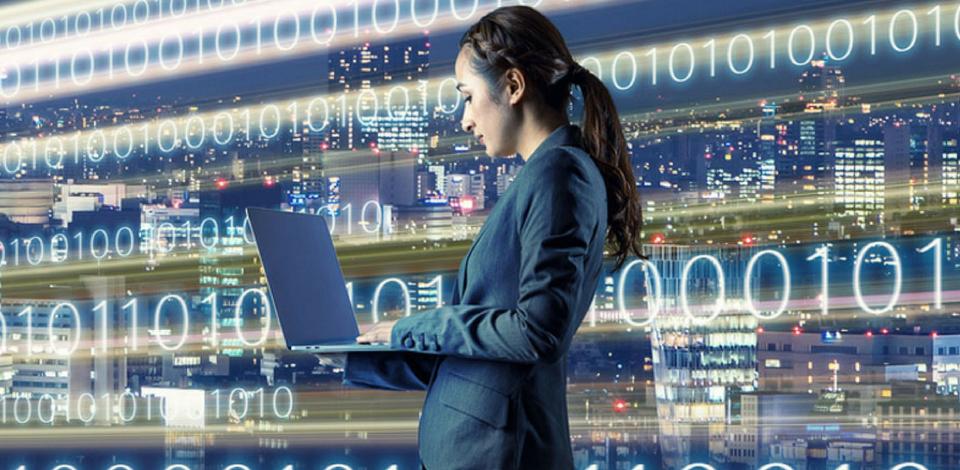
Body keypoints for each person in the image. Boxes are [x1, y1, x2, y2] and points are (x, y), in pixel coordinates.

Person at [321, 5, 644, 469]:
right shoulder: (545, 174)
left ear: (513, 86)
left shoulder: (560, 175)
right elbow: (479, 355)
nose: (465, 119)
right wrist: (352, 355)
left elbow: (536, 332)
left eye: (468, 97)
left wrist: (415, 325)